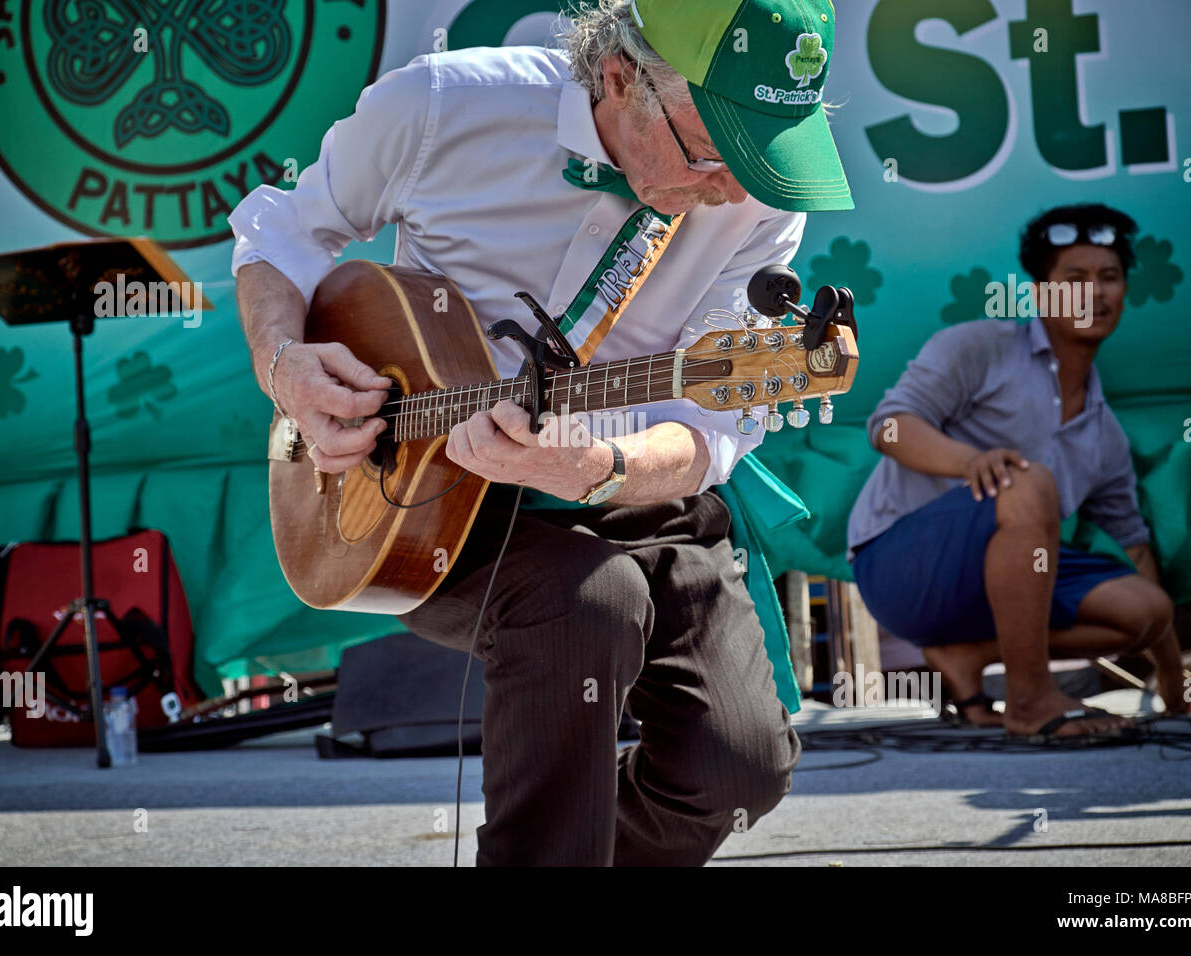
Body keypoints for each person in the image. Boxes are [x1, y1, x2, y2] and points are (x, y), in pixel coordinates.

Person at [229, 0, 854, 864]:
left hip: (639, 482)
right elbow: (284, 228)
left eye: (768, 156)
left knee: (738, 771)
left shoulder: (757, 200)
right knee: (587, 600)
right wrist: (284, 365)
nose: (734, 189)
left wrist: (598, 467)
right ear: (620, 76)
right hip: (427, 498)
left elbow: (708, 431)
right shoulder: (443, 105)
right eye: (716, 151)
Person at [846, 203, 1191, 740]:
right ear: (1040, 293)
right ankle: (1030, 699)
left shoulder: (1104, 434)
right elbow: (889, 428)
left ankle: (969, 656)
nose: (1095, 292)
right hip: (901, 570)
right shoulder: (979, 346)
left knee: (1147, 608)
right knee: (1028, 481)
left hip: (999, 589)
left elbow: (1133, 547)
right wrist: (971, 462)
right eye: (1075, 278)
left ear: (1125, 294)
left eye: (1109, 278)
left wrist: (1177, 686)